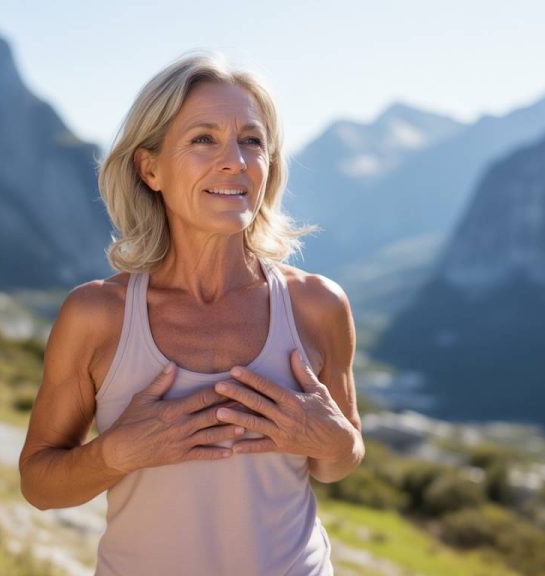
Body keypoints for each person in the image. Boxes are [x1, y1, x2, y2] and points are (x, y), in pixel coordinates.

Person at [19, 52, 364, 576]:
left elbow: (339, 460)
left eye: (252, 140)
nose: (236, 161)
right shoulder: (95, 315)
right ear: (150, 167)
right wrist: (115, 453)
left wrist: (333, 440)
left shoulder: (318, 305)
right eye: (204, 139)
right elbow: (39, 485)